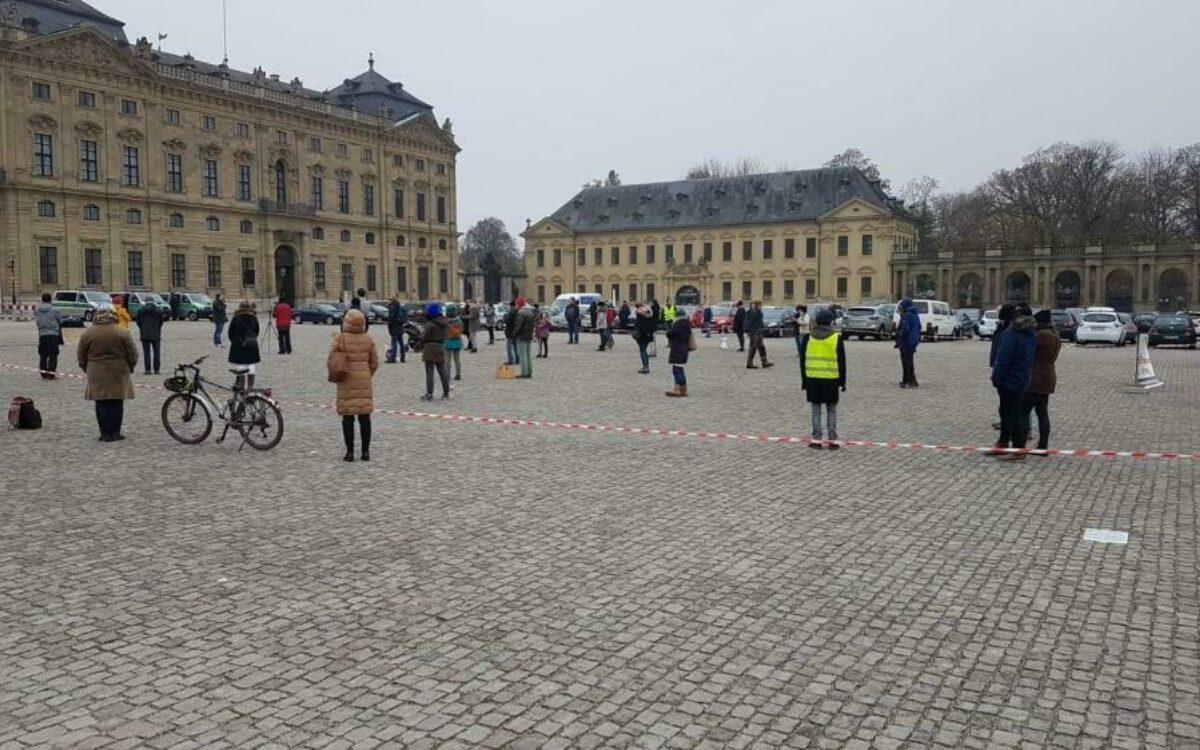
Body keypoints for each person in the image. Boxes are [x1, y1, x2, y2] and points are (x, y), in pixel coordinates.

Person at [77, 304, 138, 442]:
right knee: (117, 402)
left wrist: (86, 368)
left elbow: (81, 355)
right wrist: (130, 367)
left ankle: (105, 433)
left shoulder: (88, 333)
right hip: (118, 369)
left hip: (96, 369)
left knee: (101, 403)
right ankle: (116, 432)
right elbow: (133, 353)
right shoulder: (122, 331)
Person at [329, 308, 378, 462]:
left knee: (348, 418)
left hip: (346, 380)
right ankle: (365, 452)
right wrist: (366, 373)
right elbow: (375, 362)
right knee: (365, 418)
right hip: (364, 379)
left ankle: (350, 452)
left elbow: (331, 359)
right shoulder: (369, 339)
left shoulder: (340, 338)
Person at [990, 304, 1036, 460]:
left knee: (1011, 415)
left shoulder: (1011, 333)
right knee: (1008, 412)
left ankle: (1018, 448)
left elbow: (1003, 359)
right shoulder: (1030, 333)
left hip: (1009, 379)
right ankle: (1003, 443)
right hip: (1022, 377)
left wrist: (996, 377)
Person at [799, 309, 847, 450]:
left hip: (813, 378)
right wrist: (843, 381)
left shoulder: (808, 338)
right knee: (831, 409)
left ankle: (816, 439)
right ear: (830, 322)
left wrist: (804, 380)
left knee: (816, 409)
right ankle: (832, 439)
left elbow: (802, 361)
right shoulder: (836, 338)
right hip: (831, 379)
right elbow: (842, 361)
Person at [1025, 309, 1061, 456]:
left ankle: (1019, 446)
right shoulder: (1054, 334)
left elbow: (1029, 352)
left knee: (1023, 411)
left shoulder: (1041, 336)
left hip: (1036, 377)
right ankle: (1043, 445)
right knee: (1042, 412)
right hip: (1048, 376)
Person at [227, 301, 261, 389]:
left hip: (238, 344)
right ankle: (250, 386)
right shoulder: (254, 318)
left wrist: (235, 341)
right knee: (251, 365)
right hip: (251, 344)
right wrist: (250, 338)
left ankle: (240, 385)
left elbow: (230, 332)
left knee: (240, 364)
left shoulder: (236, 318)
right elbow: (257, 331)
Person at [421, 303, 450, 401]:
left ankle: (429, 393)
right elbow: (447, 335)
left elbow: (424, 337)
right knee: (442, 371)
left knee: (430, 372)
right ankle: (446, 393)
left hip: (429, 347)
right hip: (440, 346)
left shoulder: (430, 324)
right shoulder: (445, 323)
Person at [34, 292, 63, 380]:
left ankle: (43, 373)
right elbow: (60, 321)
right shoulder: (55, 310)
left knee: (43, 354)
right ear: (50, 299)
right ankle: (51, 374)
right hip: (53, 334)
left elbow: (36, 318)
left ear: (42, 300)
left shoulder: (37, 310)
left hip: (42, 334)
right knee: (53, 355)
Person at [664, 308, 692, 397]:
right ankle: (684, 390)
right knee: (680, 369)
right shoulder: (687, 324)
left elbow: (671, 333)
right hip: (684, 349)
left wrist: (668, 331)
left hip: (677, 349)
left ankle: (677, 390)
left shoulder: (678, 324)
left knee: (677, 370)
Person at [134, 297, 164, 374]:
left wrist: (143, 328)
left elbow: (138, 322)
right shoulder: (158, 311)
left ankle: (148, 370)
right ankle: (157, 370)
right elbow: (161, 322)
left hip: (145, 334)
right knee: (157, 352)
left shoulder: (140, 311)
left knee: (146, 353)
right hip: (156, 334)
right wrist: (157, 328)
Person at [895, 299, 921, 388]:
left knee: (907, 362)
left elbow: (905, 329)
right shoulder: (914, 314)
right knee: (908, 362)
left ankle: (910, 381)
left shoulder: (907, 315)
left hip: (907, 342)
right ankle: (909, 380)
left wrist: (898, 335)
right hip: (912, 341)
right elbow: (919, 326)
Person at [512, 295, 536, 378]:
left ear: (519, 304)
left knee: (522, 355)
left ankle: (524, 372)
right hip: (529, 335)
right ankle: (530, 371)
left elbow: (518, 326)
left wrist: (514, 334)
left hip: (521, 336)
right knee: (528, 354)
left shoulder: (520, 313)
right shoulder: (530, 312)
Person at [745, 301, 773, 369]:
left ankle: (764, 362)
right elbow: (750, 322)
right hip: (754, 331)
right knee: (753, 347)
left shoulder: (758, 312)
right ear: (757, 305)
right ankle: (749, 363)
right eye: (760, 305)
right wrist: (750, 331)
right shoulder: (753, 312)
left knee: (761, 346)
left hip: (758, 330)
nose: (761, 306)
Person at [633, 302, 657, 374]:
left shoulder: (639, 315)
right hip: (648, 334)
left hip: (641, 335)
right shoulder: (649, 313)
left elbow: (639, 325)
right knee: (644, 350)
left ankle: (645, 366)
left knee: (642, 351)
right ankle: (647, 366)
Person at [444, 304, 464, 381]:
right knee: (457, 359)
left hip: (448, 341)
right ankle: (458, 374)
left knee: (447, 360)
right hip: (457, 341)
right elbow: (461, 330)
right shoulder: (459, 320)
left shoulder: (445, 321)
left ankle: (447, 375)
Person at [386, 297, 408, 363]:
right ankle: (403, 358)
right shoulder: (400, 307)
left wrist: (389, 327)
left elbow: (391, 319)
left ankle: (393, 358)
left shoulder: (392, 307)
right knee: (401, 343)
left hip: (394, 327)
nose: (387, 301)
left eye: (388, 300)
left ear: (391, 301)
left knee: (394, 343)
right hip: (400, 327)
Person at [503, 299, 519, 365]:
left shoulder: (511, 311)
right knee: (516, 346)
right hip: (515, 331)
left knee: (509, 346)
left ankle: (511, 360)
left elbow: (507, 321)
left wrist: (504, 317)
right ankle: (517, 359)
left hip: (510, 331)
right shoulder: (517, 311)